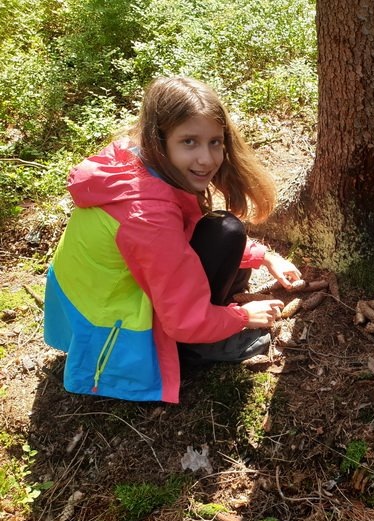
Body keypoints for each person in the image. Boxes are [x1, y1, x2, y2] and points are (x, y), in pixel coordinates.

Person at [44, 76, 300, 403]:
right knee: (226, 231)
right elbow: (182, 319)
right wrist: (242, 318)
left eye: (215, 142)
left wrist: (264, 256)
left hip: (91, 301)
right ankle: (196, 349)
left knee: (225, 231)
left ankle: (212, 320)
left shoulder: (135, 160)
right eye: (189, 142)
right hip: (113, 327)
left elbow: (181, 233)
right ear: (160, 139)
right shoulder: (147, 216)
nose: (207, 159)